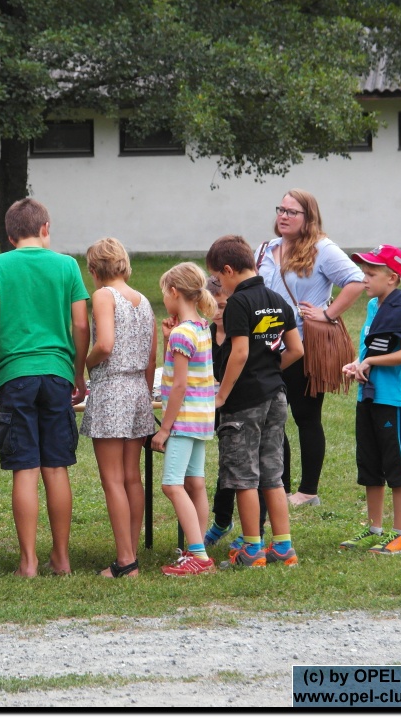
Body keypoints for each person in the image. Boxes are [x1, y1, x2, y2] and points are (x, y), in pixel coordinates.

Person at [0, 198, 90, 578]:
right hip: (58, 374)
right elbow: (82, 325)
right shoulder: (67, 265)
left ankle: (28, 562)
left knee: (24, 469)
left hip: (15, 375)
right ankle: (62, 557)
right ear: (46, 228)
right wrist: (77, 371)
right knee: (56, 468)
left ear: (9, 236)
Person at [258, 189, 364, 506]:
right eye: (281, 209)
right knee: (271, 417)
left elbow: (357, 281)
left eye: (292, 211)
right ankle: (279, 486)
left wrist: (328, 313)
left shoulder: (322, 249)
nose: (284, 215)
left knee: (305, 416)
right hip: (267, 345)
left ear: (309, 217)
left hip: (304, 346)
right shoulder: (267, 248)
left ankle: (307, 491)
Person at [206, 235, 304, 568]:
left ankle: (251, 550)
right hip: (276, 396)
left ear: (229, 270)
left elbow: (240, 352)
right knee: (271, 475)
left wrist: (222, 395)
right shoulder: (277, 299)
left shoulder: (238, 304)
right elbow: (297, 349)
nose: (220, 285)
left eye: (219, 279)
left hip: (244, 401)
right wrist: (269, 370)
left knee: (243, 476)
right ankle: (283, 547)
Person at [340, 245, 401, 555]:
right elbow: (371, 349)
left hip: (391, 399)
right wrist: (358, 363)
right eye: (364, 272)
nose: (364, 278)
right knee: (370, 464)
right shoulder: (373, 306)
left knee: (396, 465)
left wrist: (370, 364)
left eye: (371, 274)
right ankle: (374, 529)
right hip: (368, 394)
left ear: (392, 278)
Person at [80, 238, 156, 579]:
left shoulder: (103, 296)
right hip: (139, 388)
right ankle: (131, 552)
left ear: (94, 270)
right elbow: (152, 357)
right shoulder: (144, 301)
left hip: (111, 388)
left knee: (112, 480)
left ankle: (125, 561)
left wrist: (86, 362)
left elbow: (105, 344)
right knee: (131, 478)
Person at [149, 263, 217, 576]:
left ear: (174, 292)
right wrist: (168, 340)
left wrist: (164, 428)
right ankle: (195, 547)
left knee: (172, 485)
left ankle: (199, 557)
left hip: (183, 420)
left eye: (165, 292)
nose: (164, 298)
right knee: (196, 483)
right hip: (202, 418)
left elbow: (178, 385)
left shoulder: (182, 333)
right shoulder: (201, 327)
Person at [202, 277, 271, 549]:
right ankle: (222, 520)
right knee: (227, 469)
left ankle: (255, 531)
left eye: (222, 306)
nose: (218, 313)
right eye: (213, 307)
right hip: (220, 409)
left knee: (254, 472)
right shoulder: (206, 334)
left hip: (245, 405)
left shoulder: (239, 334)